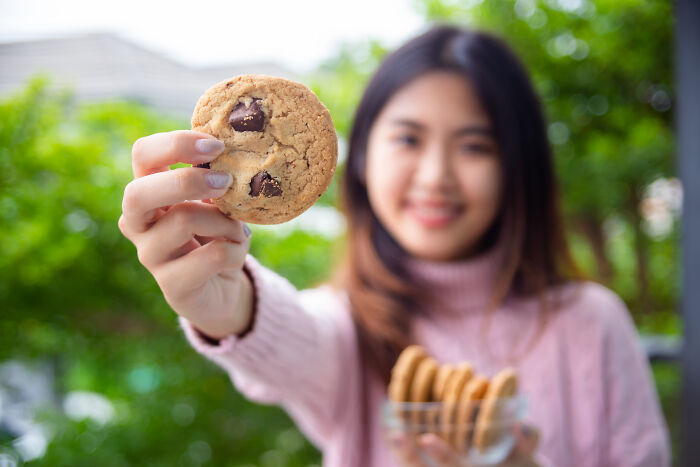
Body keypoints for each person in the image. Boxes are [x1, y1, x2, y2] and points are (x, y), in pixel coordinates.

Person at [118, 25, 670, 466]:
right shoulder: (345, 327)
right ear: (357, 159)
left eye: (475, 145)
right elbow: (288, 337)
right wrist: (226, 299)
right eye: (408, 138)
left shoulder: (593, 324)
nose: (435, 177)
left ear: (518, 165)